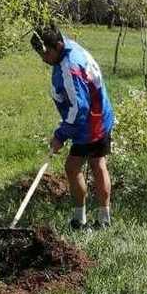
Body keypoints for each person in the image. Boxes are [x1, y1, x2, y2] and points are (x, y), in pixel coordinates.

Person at [31, 23, 115, 229]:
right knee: (98, 164)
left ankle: (80, 219)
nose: (43, 58)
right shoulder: (70, 47)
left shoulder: (70, 67)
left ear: (58, 46)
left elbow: (79, 108)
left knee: (73, 167)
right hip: (101, 115)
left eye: (46, 53)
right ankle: (103, 220)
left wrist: (60, 135)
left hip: (90, 124)